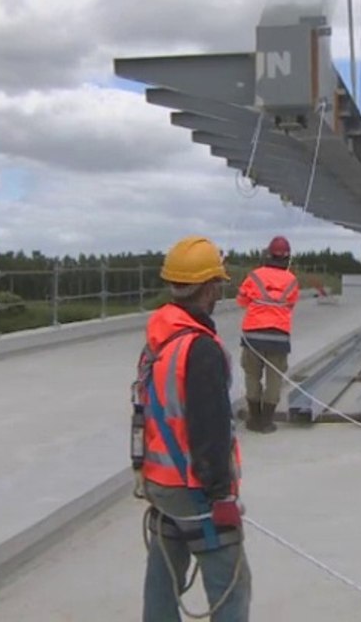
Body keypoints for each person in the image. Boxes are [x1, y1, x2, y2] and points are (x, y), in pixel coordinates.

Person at [136, 235, 251, 621]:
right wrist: (221, 498)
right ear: (210, 287)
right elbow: (210, 430)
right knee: (231, 588)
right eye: (218, 283)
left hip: (161, 485)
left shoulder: (159, 337)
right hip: (196, 492)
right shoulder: (199, 349)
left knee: (162, 583)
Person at [237, 235, 299, 434]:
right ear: (287, 258)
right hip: (279, 336)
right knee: (275, 379)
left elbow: (241, 301)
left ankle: (254, 419)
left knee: (252, 375)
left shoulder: (254, 275)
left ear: (268, 254)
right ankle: (267, 422)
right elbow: (290, 305)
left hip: (253, 334)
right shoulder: (292, 280)